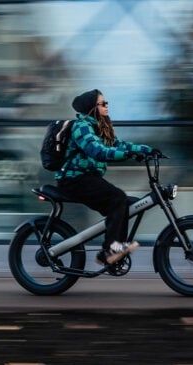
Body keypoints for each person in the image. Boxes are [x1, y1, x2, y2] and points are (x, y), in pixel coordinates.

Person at [55, 89, 160, 265]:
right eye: (102, 103)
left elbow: (119, 145)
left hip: (88, 179)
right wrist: (126, 154)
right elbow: (98, 151)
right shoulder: (81, 127)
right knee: (118, 198)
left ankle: (115, 249)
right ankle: (109, 251)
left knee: (127, 204)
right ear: (92, 107)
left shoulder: (100, 128)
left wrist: (147, 150)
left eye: (106, 103)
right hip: (74, 179)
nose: (106, 106)